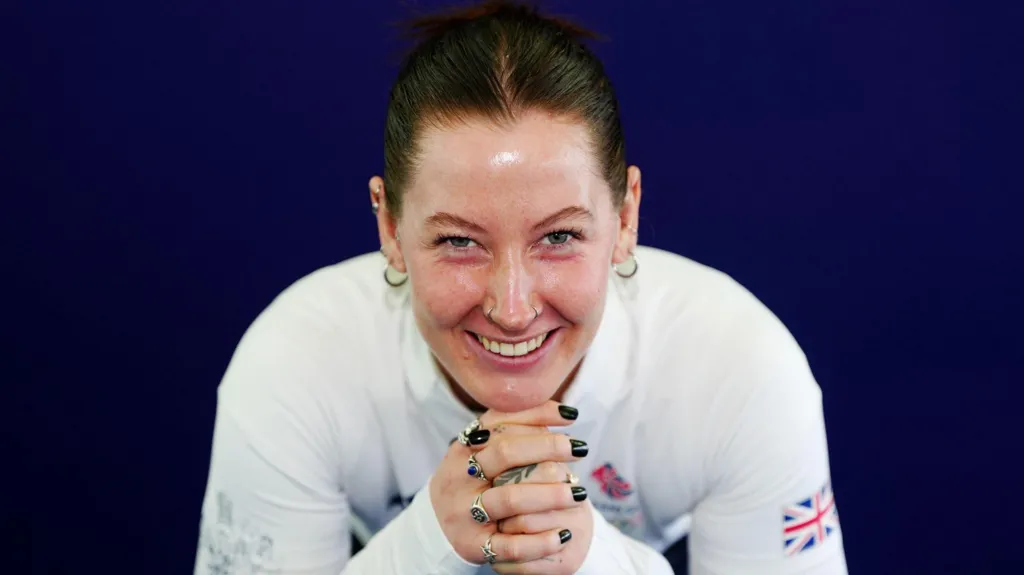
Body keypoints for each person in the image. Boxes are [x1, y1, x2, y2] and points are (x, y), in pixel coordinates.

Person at [192, 2, 848, 574]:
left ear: (625, 218)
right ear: (389, 225)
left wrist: (591, 556)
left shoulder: (743, 369)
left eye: (558, 237)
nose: (512, 308)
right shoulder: (294, 363)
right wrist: (425, 541)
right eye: (458, 241)